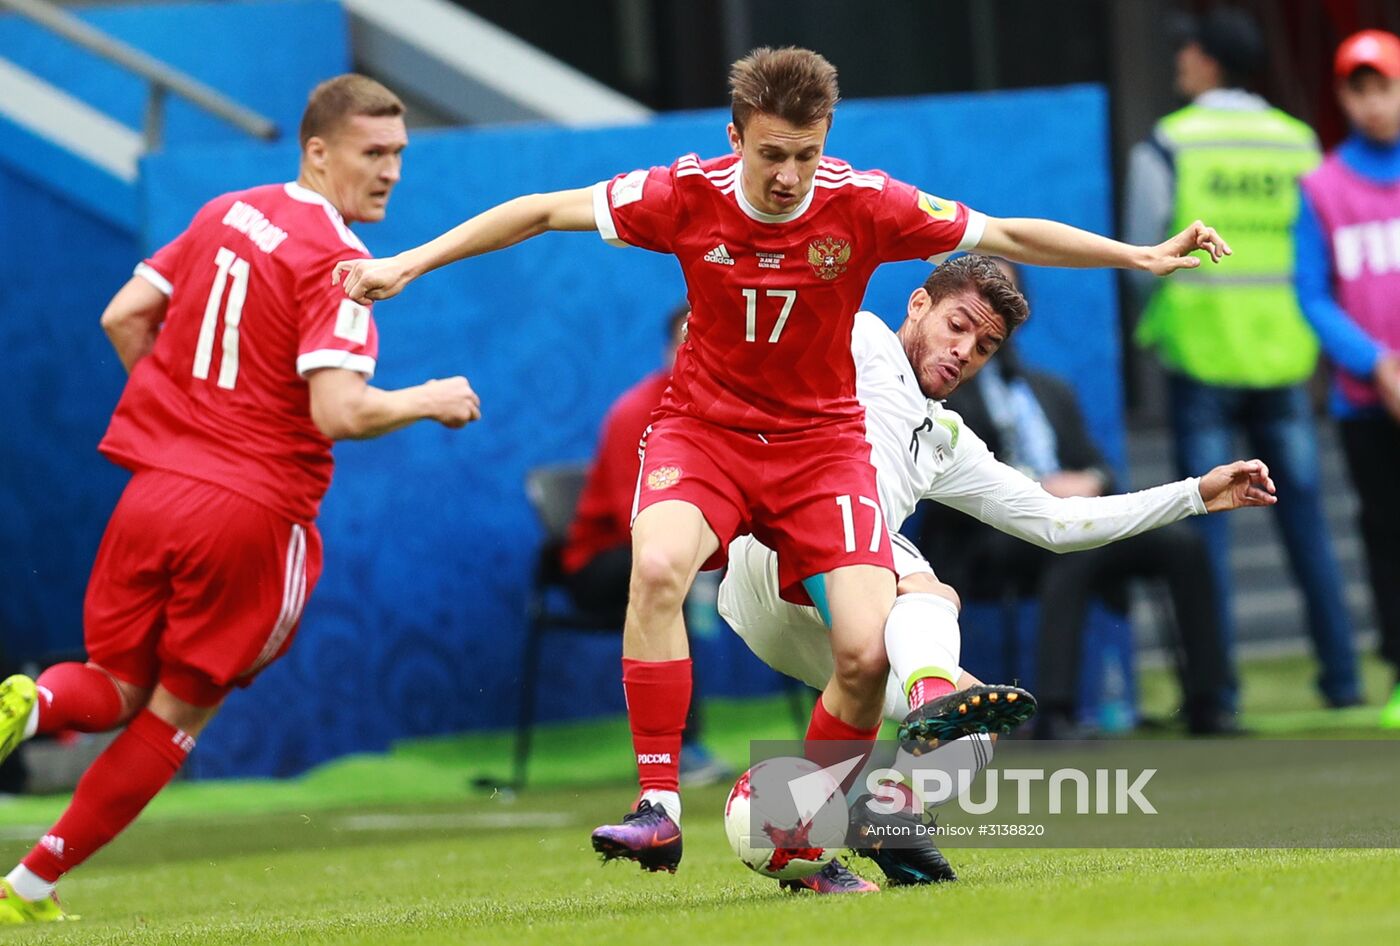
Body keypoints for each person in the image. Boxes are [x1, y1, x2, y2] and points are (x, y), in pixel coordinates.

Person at [333, 46, 1230, 876]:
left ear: (825, 141)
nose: (787, 175)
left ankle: (818, 826)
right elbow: (538, 210)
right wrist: (410, 262)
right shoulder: (684, 193)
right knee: (656, 568)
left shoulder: (867, 203)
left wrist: (1139, 255)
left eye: (804, 153)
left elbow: (1007, 236)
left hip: (818, 449)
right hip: (706, 432)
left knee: (863, 654)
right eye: (770, 154)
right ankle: (656, 803)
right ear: (735, 137)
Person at [0, 75, 481, 923]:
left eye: (400, 153)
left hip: (154, 489)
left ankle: (30, 705)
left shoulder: (227, 209)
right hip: (251, 512)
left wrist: (187, 418)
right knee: (177, 712)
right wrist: (427, 397)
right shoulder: (341, 265)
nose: (392, 171)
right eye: (374, 152)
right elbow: (339, 410)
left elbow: (123, 317)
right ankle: (28, 885)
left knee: (111, 683)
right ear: (317, 150)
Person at [718, 255, 1275, 892]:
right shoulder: (864, 340)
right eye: (957, 326)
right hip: (776, 548)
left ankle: (862, 824)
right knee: (929, 588)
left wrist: (1196, 493)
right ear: (918, 305)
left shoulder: (946, 438)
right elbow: (774, 318)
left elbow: (1057, 523)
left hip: (820, 613)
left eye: (984, 346)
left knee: (976, 722)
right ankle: (931, 703)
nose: (964, 352)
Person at [1125, 6, 1360, 709]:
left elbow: (1143, 255)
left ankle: (1216, 693)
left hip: (1201, 356)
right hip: (1285, 357)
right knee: (1308, 527)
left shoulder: (1170, 142)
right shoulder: (1297, 144)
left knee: (1207, 528)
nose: (1178, 63)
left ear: (1208, 61)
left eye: (1186, 51)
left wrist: (1158, 330)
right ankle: (1344, 683)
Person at [924, 339, 1235, 738]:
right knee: (1071, 547)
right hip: (994, 532)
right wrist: (1037, 488)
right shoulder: (948, 398)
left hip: (1075, 518)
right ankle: (1055, 712)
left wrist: (1090, 481)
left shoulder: (1049, 389)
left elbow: (1100, 466)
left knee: (1183, 545)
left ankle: (1208, 702)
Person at [562, 304, 729, 784]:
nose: (694, 353)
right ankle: (682, 750)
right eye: (685, 343)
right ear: (668, 350)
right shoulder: (637, 412)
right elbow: (631, 520)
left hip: (678, 552)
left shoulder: (726, 411)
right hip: (598, 563)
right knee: (666, 579)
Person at [1296, 29, 1400, 728]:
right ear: (1342, 97)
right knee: (1386, 536)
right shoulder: (1322, 186)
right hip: (1368, 406)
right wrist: (1377, 364)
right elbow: (1311, 294)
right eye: (1358, 89)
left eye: (1383, 86)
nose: (1372, 103)